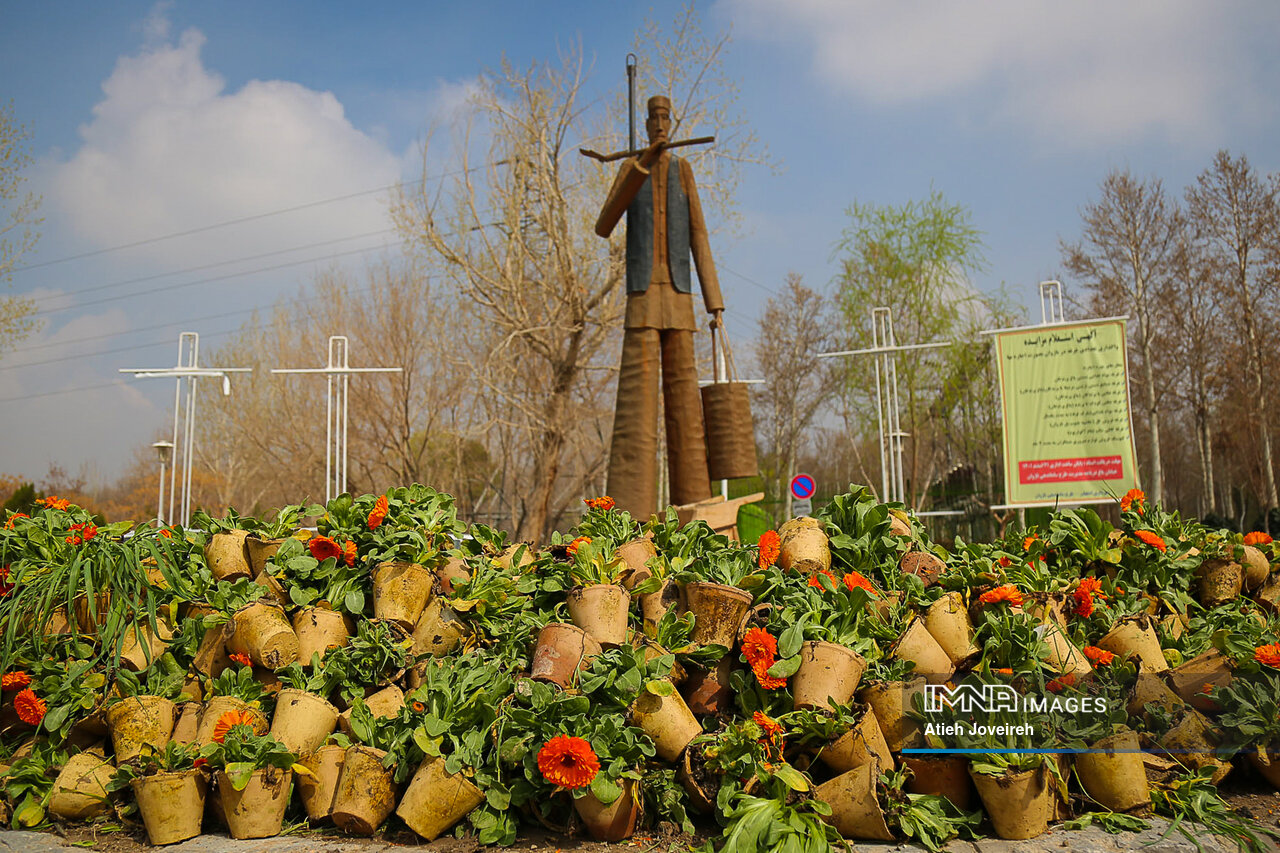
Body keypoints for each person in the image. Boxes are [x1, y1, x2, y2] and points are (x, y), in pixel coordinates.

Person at [595, 95, 723, 519]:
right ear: (646, 125)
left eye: (666, 118)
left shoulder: (684, 172)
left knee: (687, 412)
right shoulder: (634, 169)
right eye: (654, 119)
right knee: (637, 408)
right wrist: (640, 165)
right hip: (643, 298)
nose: (661, 125)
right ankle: (627, 519)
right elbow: (604, 222)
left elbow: (699, 236)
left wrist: (714, 301)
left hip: (681, 298)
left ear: (673, 121)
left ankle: (696, 513)